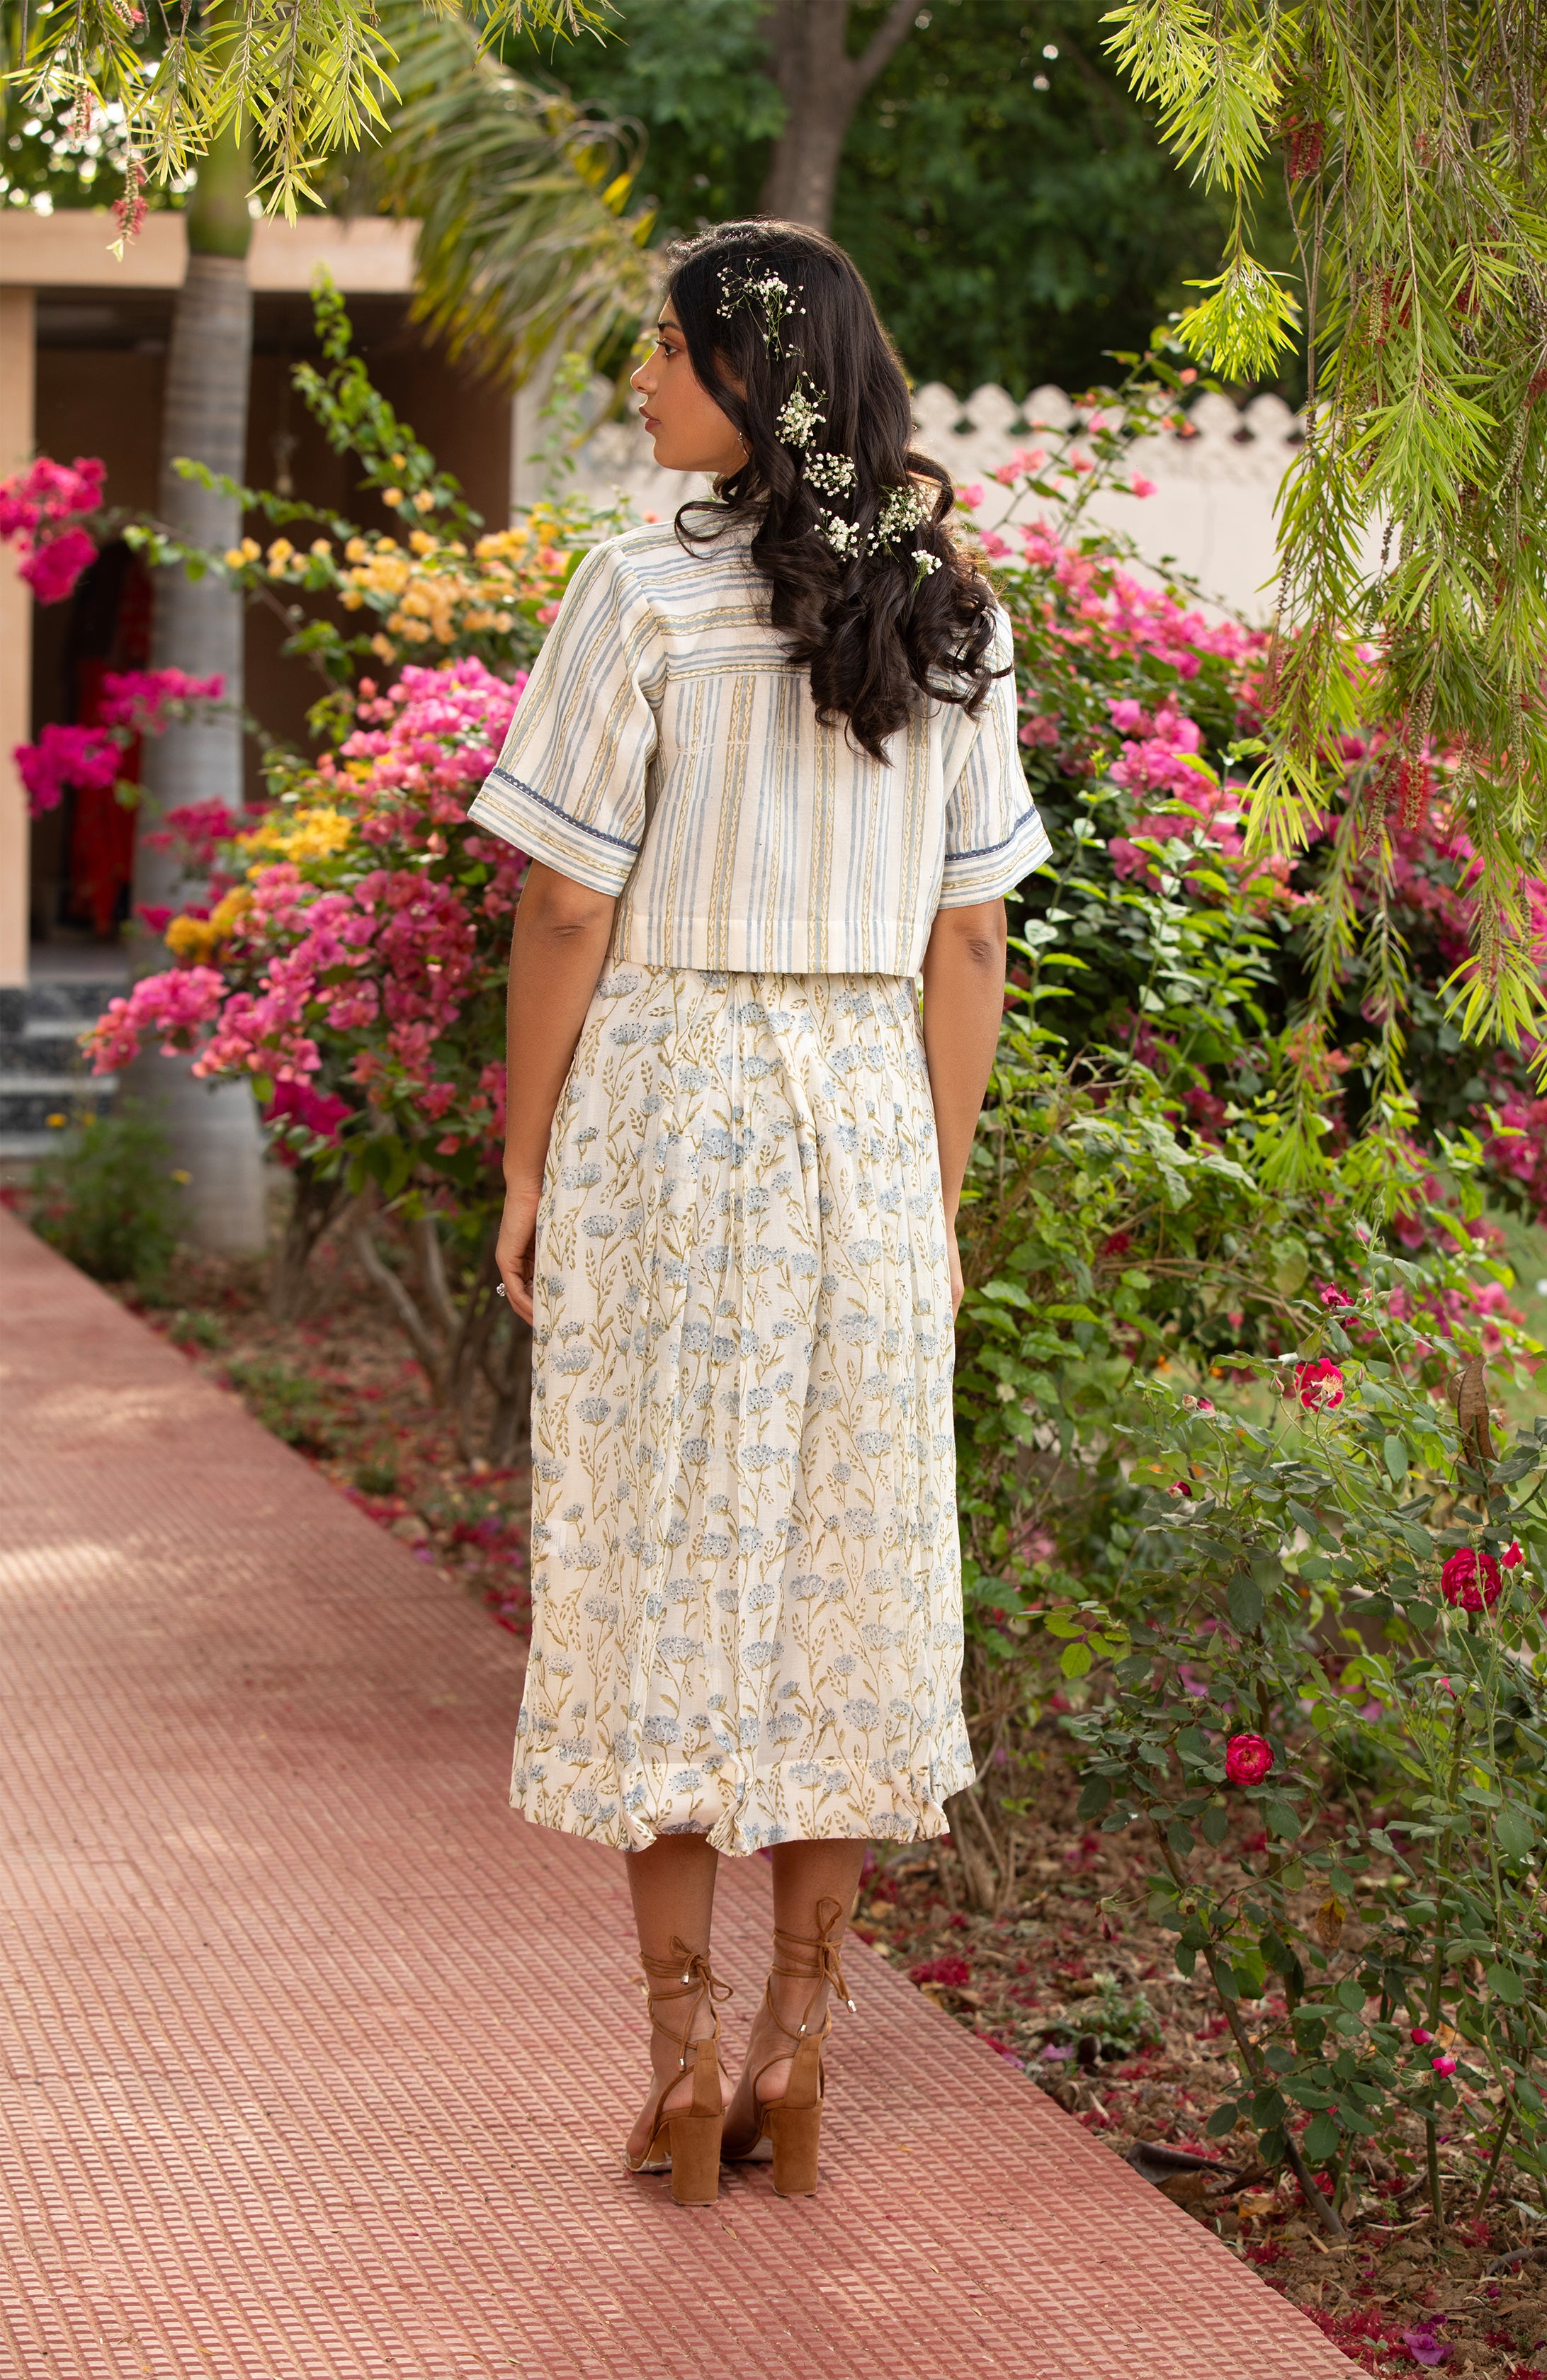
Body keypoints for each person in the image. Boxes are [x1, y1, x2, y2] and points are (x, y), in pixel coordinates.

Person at [470, 219, 1051, 2206]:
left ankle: (683, 2053)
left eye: (664, 349)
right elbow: (970, 941)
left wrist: (526, 1158)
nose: (640, 379)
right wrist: (939, 1203)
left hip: (674, 1100)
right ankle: (803, 2049)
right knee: (847, 1586)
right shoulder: (954, 612)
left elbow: (562, 897)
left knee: (663, 1558)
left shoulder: (639, 586)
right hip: (871, 1119)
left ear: (750, 375)